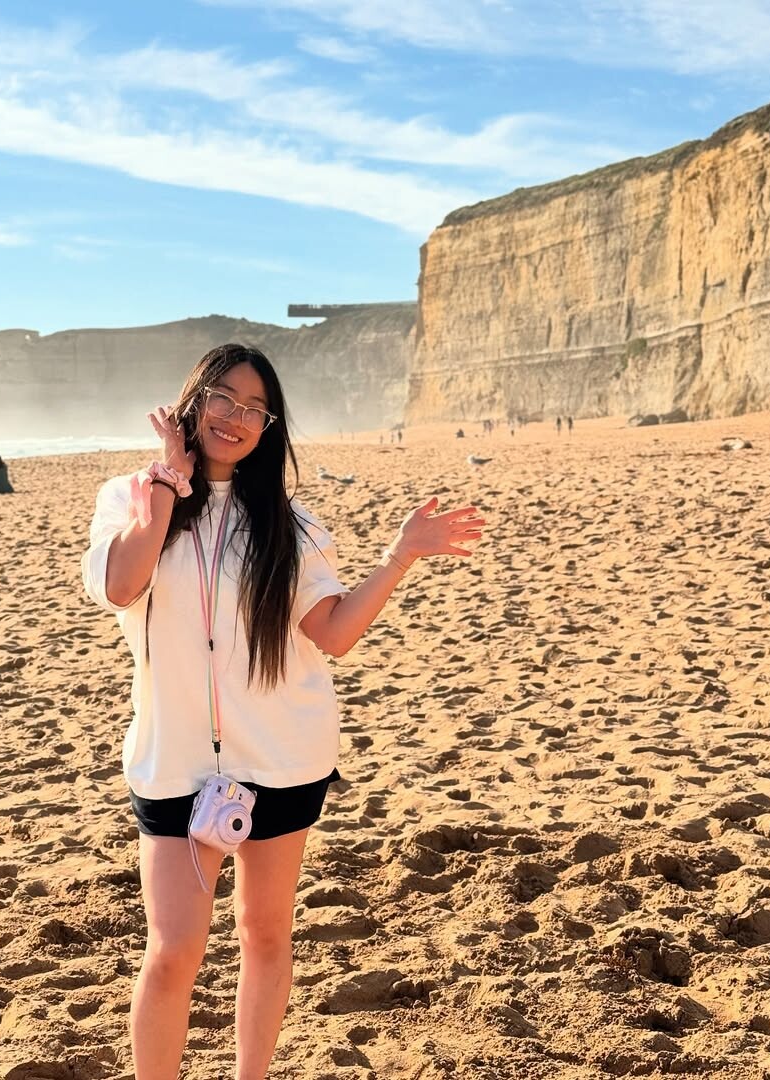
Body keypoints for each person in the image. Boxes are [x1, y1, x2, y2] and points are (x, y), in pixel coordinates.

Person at [80, 343, 485, 1079]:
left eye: (256, 409)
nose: (236, 417)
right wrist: (168, 483)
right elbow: (120, 586)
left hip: (282, 759)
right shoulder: (131, 498)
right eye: (224, 398)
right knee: (173, 951)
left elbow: (334, 633)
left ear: (270, 427)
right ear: (194, 400)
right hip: (173, 765)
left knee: (264, 935)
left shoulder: (286, 524)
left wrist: (399, 557)